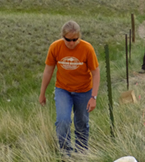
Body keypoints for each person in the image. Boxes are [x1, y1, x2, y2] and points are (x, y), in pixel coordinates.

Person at [39, 21, 100, 154]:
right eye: (68, 40)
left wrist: (93, 97)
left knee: (82, 122)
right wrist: (42, 93)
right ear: (62, 37)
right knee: (63, 121)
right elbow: (48, 71)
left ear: (79, 37)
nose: (71, 43)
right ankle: (66, 153)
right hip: (63, 90)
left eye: (75, 40)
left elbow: (96, 73)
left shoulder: (87, 48)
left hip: (84, 91)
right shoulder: (55, 47)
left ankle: (81, 152)